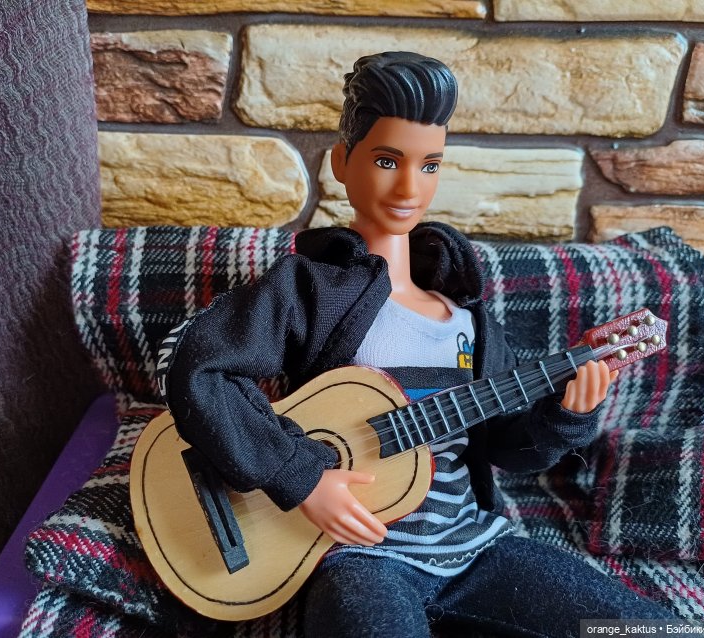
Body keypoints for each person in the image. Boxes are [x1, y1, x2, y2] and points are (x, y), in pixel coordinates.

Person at [159, 51, 669, 637]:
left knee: (648, 629)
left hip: (476, 547)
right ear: (341, 163)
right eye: (386, 160)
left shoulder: (467, 321)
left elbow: (507, 448)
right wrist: (302, 477)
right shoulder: (309, 289)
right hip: (358, 556)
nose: (408, 186)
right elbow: (201, 369)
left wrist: (567, 416)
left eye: (429, 165)